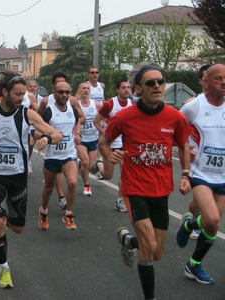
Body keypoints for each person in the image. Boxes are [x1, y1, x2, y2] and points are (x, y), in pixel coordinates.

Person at [99, 63, 191, 300]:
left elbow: (183, 146)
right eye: (151, 83)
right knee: (149, 246)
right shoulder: (125, 117)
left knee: (157, 253)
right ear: (138, 89)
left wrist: (186, 174)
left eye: (161, 81)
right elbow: (104, 141)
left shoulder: (175, 117)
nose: (158, 86)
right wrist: (110, 155)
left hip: (161, 190)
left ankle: (128, 241)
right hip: (134, 188)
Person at [0, 70, 63, 289]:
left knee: (18, 228)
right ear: (4, 92)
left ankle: (3, 227)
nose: (22, 98)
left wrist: (46, 139)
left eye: (24, 94)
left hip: (18, 177)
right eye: (18, 94)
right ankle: (4, 268)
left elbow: (57, 134)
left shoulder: (27, 115)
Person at [176, 64, 225, 285]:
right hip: (201, 172)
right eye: (218, 78)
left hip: (223, 175)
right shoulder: (193, 107)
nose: (224, 82)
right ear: (206, 81)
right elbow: (173, 130)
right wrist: (186, 146)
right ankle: (194, 262)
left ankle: (193, 264)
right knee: (212, 219)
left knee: (210, 225)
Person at [38, 71, 85, 211]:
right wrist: (46, 137)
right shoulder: (48, 108)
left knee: (72, 182)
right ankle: (44, 209)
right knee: (48, 189)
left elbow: (79, 119)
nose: (64, 95)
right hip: (52, 155)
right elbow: (37, 126)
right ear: (54, 91)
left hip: (68, 154)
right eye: (61, 92)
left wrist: (77, 134)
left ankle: (69, 213)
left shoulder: (73, 108)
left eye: (67, 92)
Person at [92, 79, 134, 211]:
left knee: (126, 173)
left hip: (125, 144)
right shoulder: (110, 104)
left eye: (128, 87)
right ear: (118, 90)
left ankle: (120, 200)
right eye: (123, 88)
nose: (126, 90)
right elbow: (96, 120)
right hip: (110, 144)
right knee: (108, 175)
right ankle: (99, 164)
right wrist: (104, 134)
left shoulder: (132, 105)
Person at [183, 64, 212, 240]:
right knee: (203, 199)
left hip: (218, 161)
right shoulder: (191, 104)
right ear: (201, 81)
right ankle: (194, 222)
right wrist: (186, 147)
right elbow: (178, 129)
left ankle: (192, 220)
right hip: (198, 161)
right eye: (208, 78)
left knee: (213, 203)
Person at [76, 82, 101, 196]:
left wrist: (101, 132)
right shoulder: (76, 105)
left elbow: (100, 119)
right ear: (79, 91)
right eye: (83, 88)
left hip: (93, 137)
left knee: (90, 166)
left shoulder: (96, 104)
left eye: (87, 88)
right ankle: (87, 185)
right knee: (85, 161)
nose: (86, 90)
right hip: (81, 138)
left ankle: (80, 166)